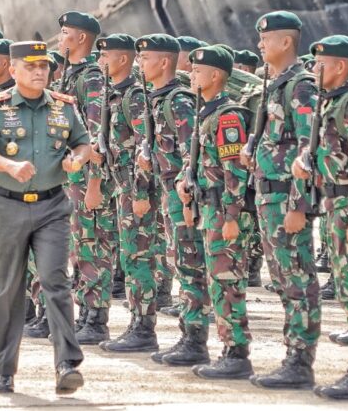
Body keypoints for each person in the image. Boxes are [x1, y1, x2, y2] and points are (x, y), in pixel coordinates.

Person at [0, 41, 91, 395]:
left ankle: (67, 364)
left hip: (52, 205)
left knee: (56, 280)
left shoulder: (64, 107)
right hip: (7, 205)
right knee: (8, 287)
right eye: (32, 66)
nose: (40, 72)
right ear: (14, 70)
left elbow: (83, 143)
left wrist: (78, 159)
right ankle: (4, 369)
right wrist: (8, 165)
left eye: (45, 66)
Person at [293, 35, 348, 400]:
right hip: (336, 208)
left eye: (321, 64)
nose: (315, 70)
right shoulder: (329, 105)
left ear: (341, 67)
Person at [241, 11, 321, 390]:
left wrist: (298, 206)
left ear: (285, 42)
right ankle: (293, 355)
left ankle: (300, 361)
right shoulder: (274, 84)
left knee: (298, 281)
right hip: (268, 198)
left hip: (286, 201)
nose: (260, 44)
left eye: (266, 38)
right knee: (284, 281)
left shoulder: (300, 86)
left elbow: (309, 151)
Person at [178, 45, 255, 380]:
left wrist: (233, 216)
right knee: (216, 281)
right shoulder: (205, 112)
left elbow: (234, 171)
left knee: (227, 282)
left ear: (216, 76)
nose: (192, 75)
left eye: (198, 71)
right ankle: (225, 347)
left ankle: (237, 353)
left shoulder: (226, 116)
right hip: (209, 209)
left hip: (224, 212)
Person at [136, 33, 212, 367]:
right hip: (169, 192)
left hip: (182, 195)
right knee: (181, 263)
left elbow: (190, 154)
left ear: (164, 62)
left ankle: (195, 340)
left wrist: (185, 200)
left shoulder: (178, 100)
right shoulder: (156, 97)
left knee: (191, 266)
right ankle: (188, 335)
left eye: (145, 58)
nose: (140, 63)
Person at [91, 34, 161, 353]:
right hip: (122, 188)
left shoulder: (134, 95)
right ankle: (137, 321)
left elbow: (145, 148)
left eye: (105, 57)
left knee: (138, 258)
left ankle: (144, 328)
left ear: (122, 61)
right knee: (130, 258)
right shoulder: (112, 95)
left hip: (137, 191)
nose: (100, 62)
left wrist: (142, 192)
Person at [57, 11, 118, 345]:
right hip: (71, 177)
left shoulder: (91, 78)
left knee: (94, 246)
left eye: (65, 33)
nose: (60, 39)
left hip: (87, 180)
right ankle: (84, 313)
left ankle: (96, 319)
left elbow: (96, 137)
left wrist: (95, 182)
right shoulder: (71, 74)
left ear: (81, 38)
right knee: (80, 248)